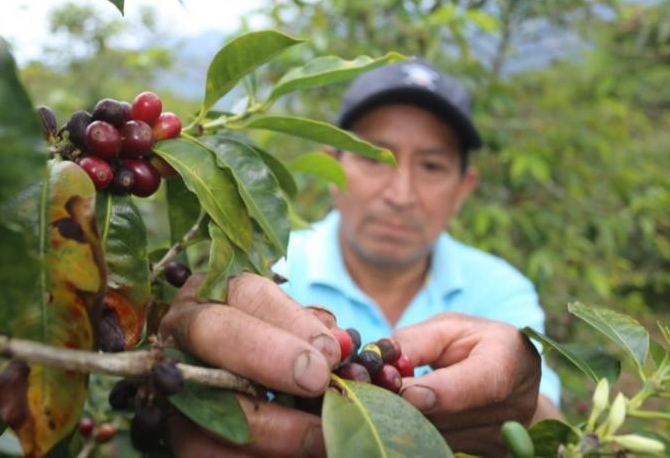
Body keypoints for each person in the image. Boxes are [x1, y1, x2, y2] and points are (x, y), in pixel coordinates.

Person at [160, 60, 562, 456]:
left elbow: (550, 425)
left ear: (464, 188)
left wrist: (524, 410)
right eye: (374, 158)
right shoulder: (269, 270)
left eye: (432, 165)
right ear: (333, 167)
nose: (400, 195)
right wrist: (177, 365)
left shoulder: (500, 292)